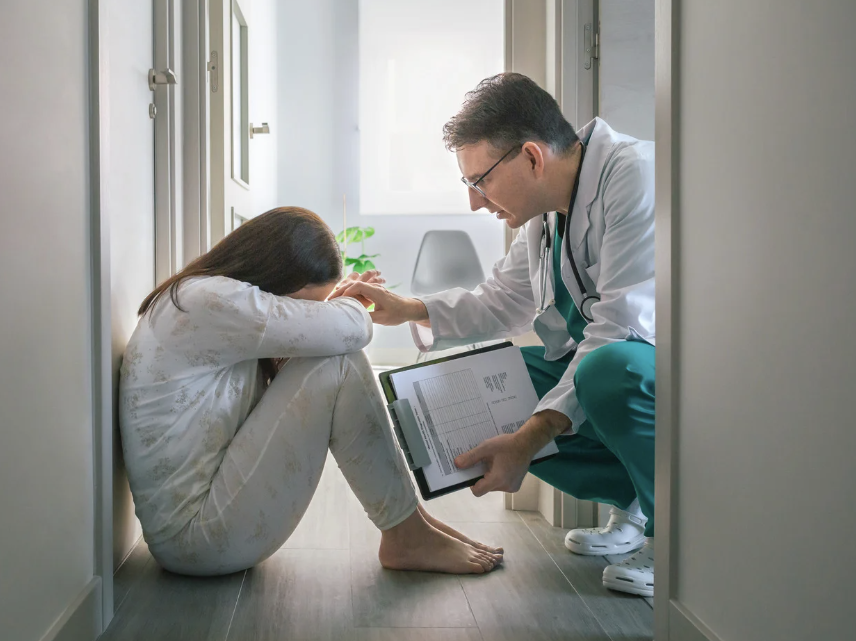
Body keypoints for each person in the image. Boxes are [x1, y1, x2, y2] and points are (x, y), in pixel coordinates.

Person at [339, 73, 656, 597]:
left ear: (532, 157)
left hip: (659, 371)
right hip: (612, 371)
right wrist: (406, 308)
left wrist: (527, 441)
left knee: (606, 369)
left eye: (478, 180)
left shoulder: (633, 177)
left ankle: (676, 539)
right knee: (481, 383)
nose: (475, 203)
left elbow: (619, 329)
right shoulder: (546, 215)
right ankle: (637, 501)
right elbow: (499, 301)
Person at [118, 207, 503, 576]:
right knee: (337, 359)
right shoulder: (209, 300)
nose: (310, 313)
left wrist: (330, 311)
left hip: (200, 524)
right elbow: (351, 331)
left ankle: (410, 522)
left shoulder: (207, 298)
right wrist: (350, 303)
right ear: (282, 280)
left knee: (333, 354)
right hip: (196, 539)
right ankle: (406, 532)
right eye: (308, 305)